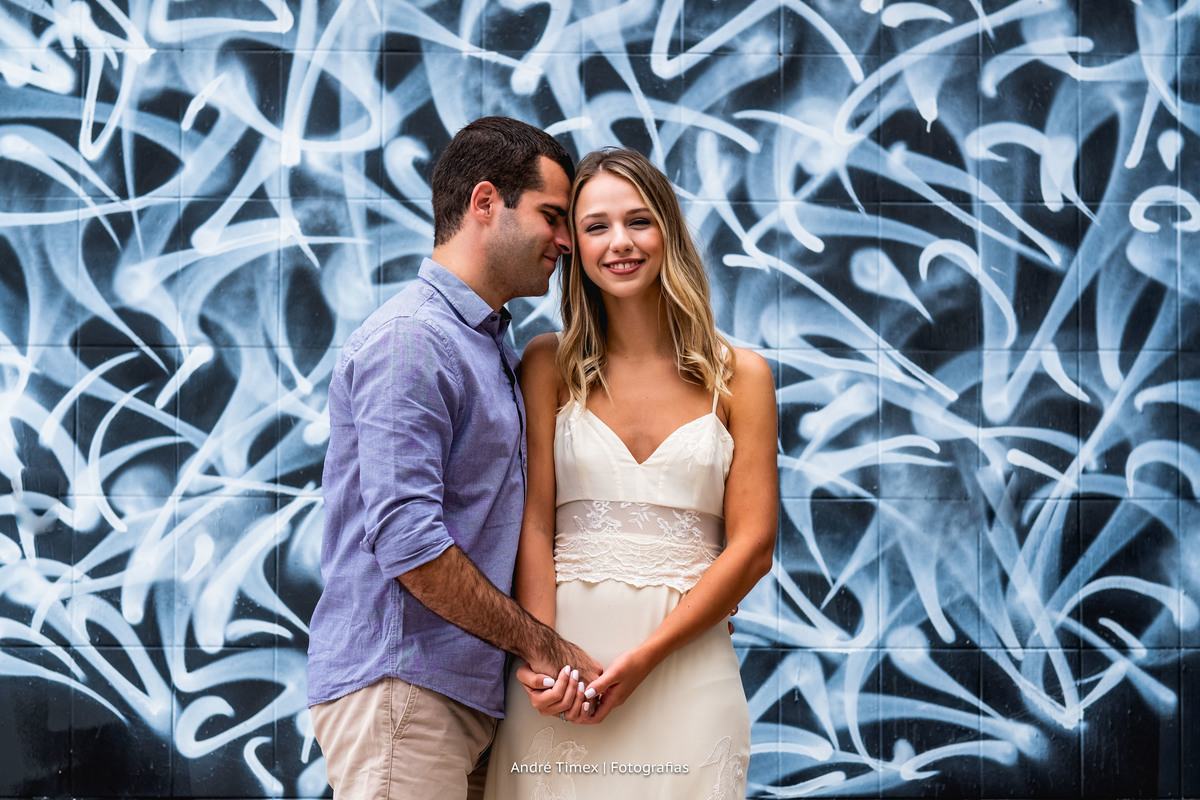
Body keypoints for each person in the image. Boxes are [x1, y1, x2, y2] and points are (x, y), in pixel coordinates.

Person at [306, 117, 602, 800]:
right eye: (552, 216)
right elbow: (408, 543)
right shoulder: (415, 340)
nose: (565, 240)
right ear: (485, 202)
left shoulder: (484, 344)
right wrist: (542, 645)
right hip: (403, 693)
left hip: (456, 697)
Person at [483, 147, 778, 799]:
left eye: (639, 221)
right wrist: (545, 657)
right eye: (596, 227)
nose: (620, 242)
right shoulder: (546, 365)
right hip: (563, 681)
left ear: (667, 230)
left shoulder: (743, 377)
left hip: (685, 673)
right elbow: (533, 523)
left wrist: (643, 661)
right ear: (576, 248)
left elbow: (754, 546)